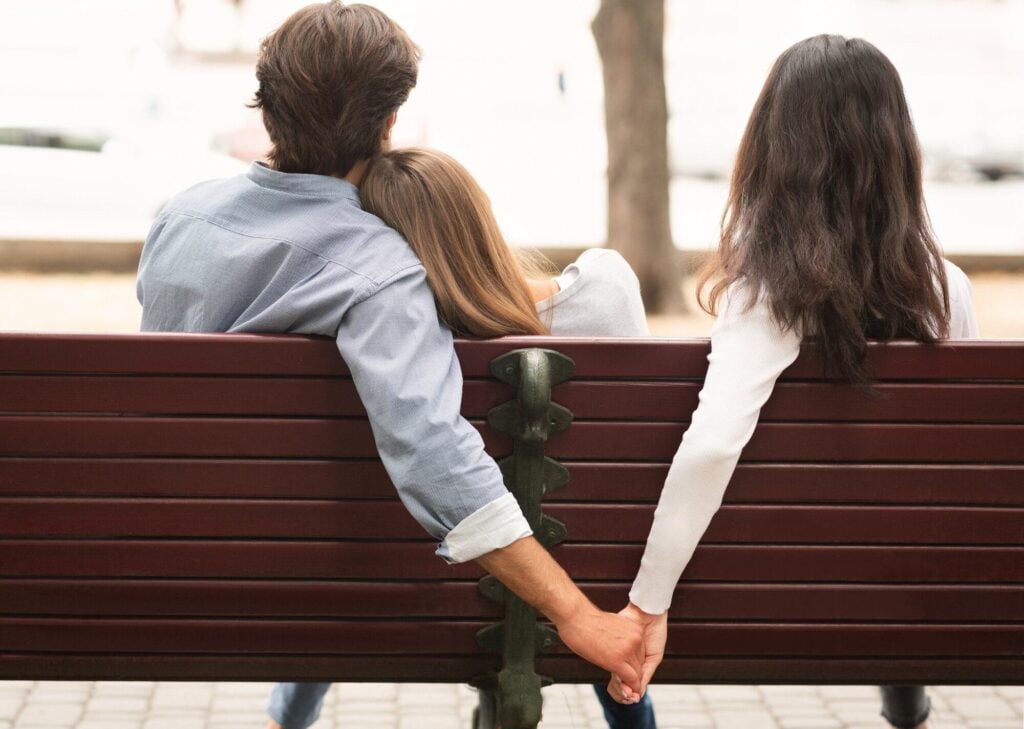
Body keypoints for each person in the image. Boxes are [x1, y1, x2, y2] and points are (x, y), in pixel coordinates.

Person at [132, 2, 645, 728]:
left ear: (269, 108)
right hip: (348, 579)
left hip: (181, 563)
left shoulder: (179, 216)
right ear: (385, 126)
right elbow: (431, 450)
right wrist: (575, 613)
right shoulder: (378, 271)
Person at [605, 35, 979, 729]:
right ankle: (905, 688)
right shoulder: (946, 289)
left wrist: (647, 602)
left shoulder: (770, 297)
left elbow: (714, 443)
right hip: (916, 602)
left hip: (777, 603)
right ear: (899, 154)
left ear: (773, 153)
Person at [269, 148, 658, 729]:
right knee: (586, 545)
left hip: (398, 588)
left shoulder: (365, 338)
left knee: (354, 557)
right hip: (573, 582)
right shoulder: (605, 289)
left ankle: (285, 720)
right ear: (479, 216)